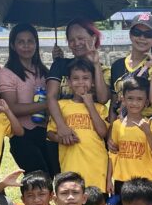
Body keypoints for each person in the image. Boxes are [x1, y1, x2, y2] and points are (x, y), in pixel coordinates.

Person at [109, 13, 152, 196]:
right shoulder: (118, 65)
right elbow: (114, 100)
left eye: (148, 34)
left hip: (149, 126)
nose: (142, 38)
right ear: (130, 33)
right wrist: (111, 132)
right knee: (124, 181)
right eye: (137, 32)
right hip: (124, 126)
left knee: (150, 181)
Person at [45, 19, 109, 171]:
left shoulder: (101, 68)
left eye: (81, 38)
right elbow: (51, 97)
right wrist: (61, 126)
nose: (76, 43)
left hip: (91, 140)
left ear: (93, 38)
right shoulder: (60, 65)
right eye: (71, 40)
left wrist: (95, 64)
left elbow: (103, 98)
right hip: (63, 136)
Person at [45, 58, 109, 191]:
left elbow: (103, 132)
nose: (80, 82)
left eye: (85, 78)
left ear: (92, 82)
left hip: (96, 169)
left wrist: (90, 105)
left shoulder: (100, 108)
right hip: (70, 167)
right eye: (76, 78)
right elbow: (50, 133)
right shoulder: (62, 105)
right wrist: (61, 138)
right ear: (68, 82)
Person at [2, 23, 55, 176]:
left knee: (54, 177)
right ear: (13, 45)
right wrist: (45, 104)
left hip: (46, 132)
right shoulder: (7, 73)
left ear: (36, 44)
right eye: (21, 42)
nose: (26, 46)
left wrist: (58, 62)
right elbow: (12, 108)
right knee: (39, 179)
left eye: (30, 41)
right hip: (22, 135)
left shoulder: (44, 71)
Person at [107, 76, 152, 203]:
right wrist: (109, 179)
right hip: (122, 181)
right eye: (130, 98)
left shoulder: (151, 125)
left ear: (146, 102)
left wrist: (147, 132)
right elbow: (113, 155)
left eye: (139, 99)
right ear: (123, 99)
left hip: (145, 182)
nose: (134, 103)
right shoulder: (117, 125)